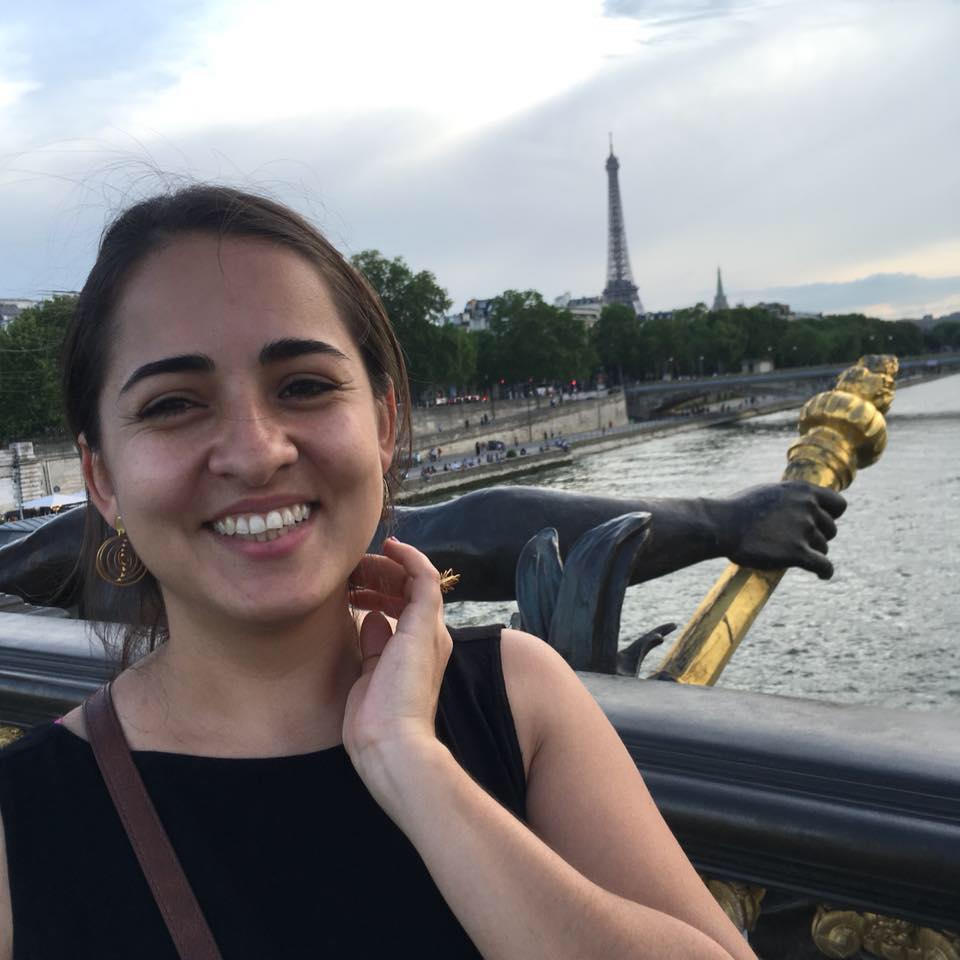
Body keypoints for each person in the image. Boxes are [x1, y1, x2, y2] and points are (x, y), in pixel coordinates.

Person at [0, 187, 821, 959]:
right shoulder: (17, 820)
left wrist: (412, 765)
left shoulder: (521, 696)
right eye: (174, 404)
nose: (255, 452)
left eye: (304, 386)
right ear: (101, 477)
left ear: (385, 423)